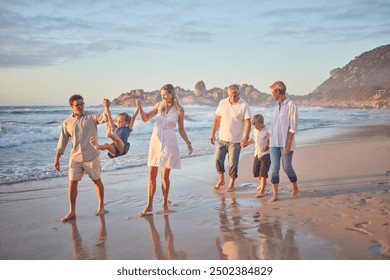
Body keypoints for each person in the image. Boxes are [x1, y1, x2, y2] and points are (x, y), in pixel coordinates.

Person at [137, 84, 193, 217]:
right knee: (151, 175)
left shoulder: (179, 110)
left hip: (169, 142)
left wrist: (188, 143)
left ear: (172, 93)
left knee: (165, 176)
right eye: (161, 95)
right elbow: (145, 119)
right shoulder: (159, 105)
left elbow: (181, 129)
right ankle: (149, 204)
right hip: (155, 142)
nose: (163, 97)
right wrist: (140, 109)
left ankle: (165, 203)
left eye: (165, 94)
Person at [54, 94, 110, 222]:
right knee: (72, 183)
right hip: (75, 158)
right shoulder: (67, 122)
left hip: (92, 156)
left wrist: (106, 107)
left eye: (82, 104)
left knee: (97, 180)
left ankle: (101, 206)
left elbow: (104, 118)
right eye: (77, 105)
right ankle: (72, 211)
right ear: (71, 106)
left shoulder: (91, 116)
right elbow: (62, 142)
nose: (80, 106)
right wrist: (57, 159)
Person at [210, 84, 252, 192]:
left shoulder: (244, 105)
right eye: (230, 95)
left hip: (236, 141)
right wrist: (212, 133)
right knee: (218, 160)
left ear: (239, 93)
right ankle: (221, 180)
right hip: (222, 139)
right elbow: (217, 119)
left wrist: (246, 138)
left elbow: (248, 123)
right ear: (228, 94)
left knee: (233, 164)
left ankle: (231, 184)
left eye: (235, 95)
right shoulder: (222, 102)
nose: (232, 97)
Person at [268, 81, 299, 202]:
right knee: (274, 168)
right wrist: (267, 142)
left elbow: (293, 127)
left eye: (272, 92)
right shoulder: (276, 106)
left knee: (287, 167)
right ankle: (275, 194)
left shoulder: (291, 105)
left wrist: (289, 143)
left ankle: (295, 187)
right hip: (273, 143)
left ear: (278, 92)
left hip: (286, 142)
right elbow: (272, 126)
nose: (272, 95)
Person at [247, 114, 271, 198]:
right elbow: (254, 140)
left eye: (257, 125)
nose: (256, 127)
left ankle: (262, 191)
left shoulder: (267, 131)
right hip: (257, 154)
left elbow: (271, 140)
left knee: (263, 173)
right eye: (254, 125)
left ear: (262, 123)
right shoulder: (255, 130)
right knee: (255, 172)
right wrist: (247, 143)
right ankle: (262, 183)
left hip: (266, 154)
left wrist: (268, 145)